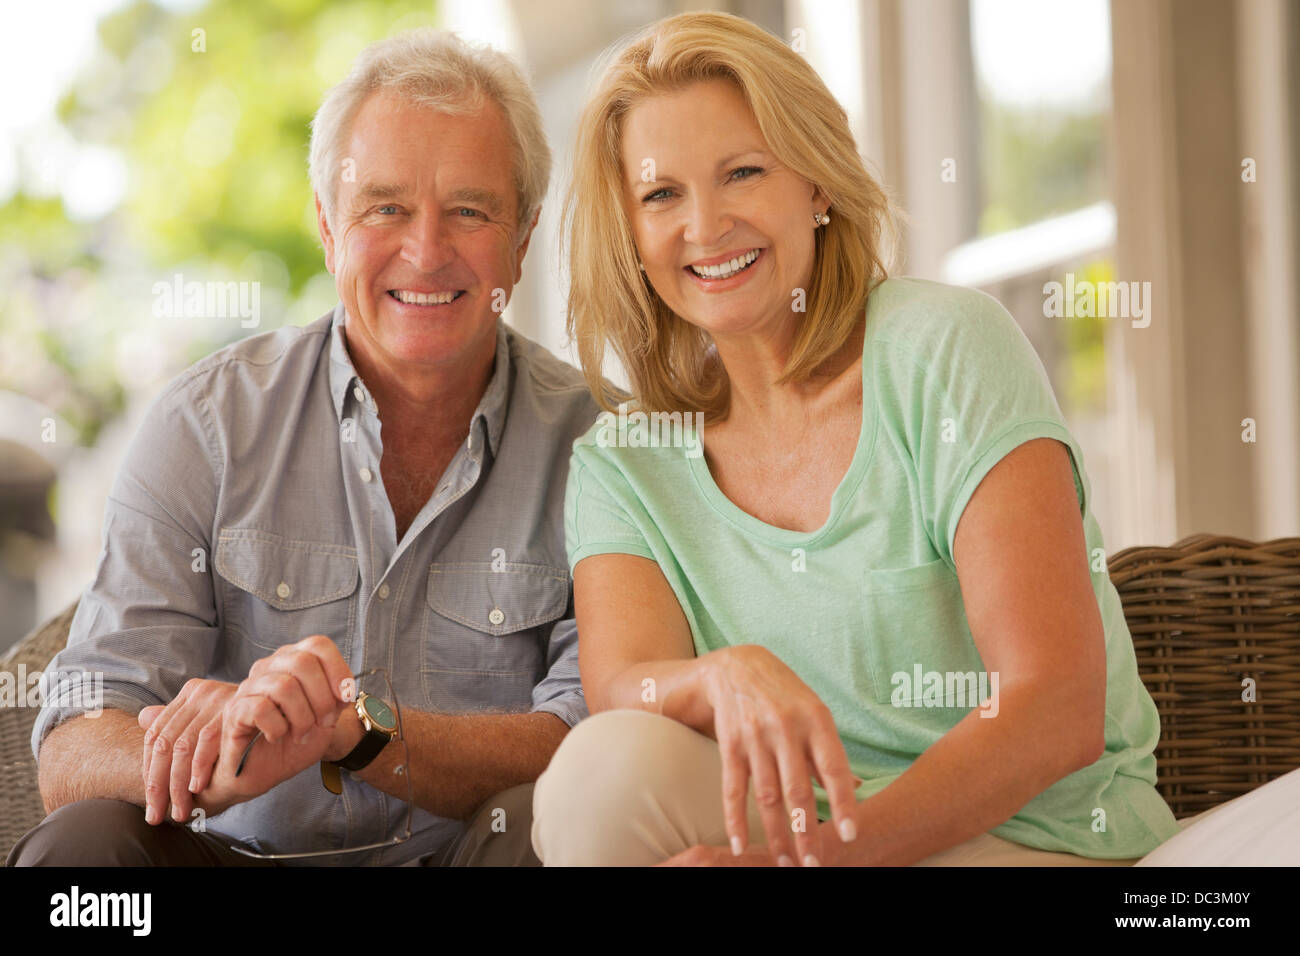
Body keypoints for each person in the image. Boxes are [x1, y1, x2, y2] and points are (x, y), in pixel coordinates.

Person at [530, 11, 1182, 866]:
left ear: (818, 185)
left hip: (1034, 837)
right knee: (595, 776)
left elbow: (1056, 704)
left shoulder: (944, 347)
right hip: (817, 825)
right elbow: (626, 683)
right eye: (661, 194)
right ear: (632, 234)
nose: (706, 224)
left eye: (743, 172)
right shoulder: (626, 461)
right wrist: (717, 675)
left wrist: (826, 860)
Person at [8, 28, 599, 867]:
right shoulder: (206, 425)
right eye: (385, 207)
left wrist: (357, 733)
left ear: (524, 235)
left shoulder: (599, 445)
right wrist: (207, 757)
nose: (425, 251)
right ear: (328, 227)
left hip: (474, 859)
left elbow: (592, 739)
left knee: (551, 821)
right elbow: (78, 732)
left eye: (469, 210)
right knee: (86, 848)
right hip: (233, 857)